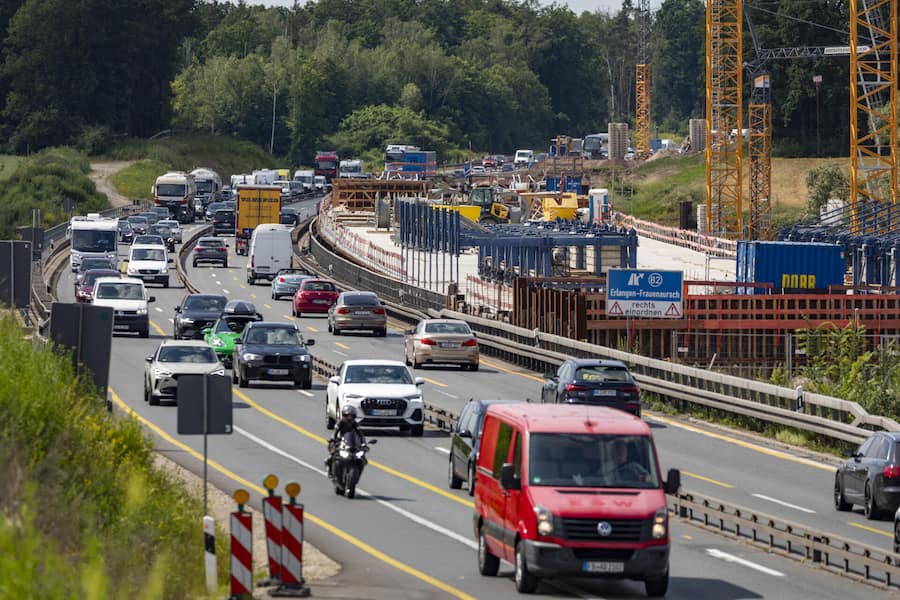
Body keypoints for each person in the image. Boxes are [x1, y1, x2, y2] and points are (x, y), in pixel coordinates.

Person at [325, 405, 366, 476]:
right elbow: (335, 433)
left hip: (352, 443)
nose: (349, 418)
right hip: (341, 442)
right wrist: (332, 440)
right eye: (347, 416)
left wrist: (363, 443)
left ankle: (358, 471)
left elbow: (361, 434)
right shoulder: (340, 423)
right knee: (331, 456)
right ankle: (329, 469)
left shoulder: (355, 424)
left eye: (351, 416)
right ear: (344, 415)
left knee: (363, 459)